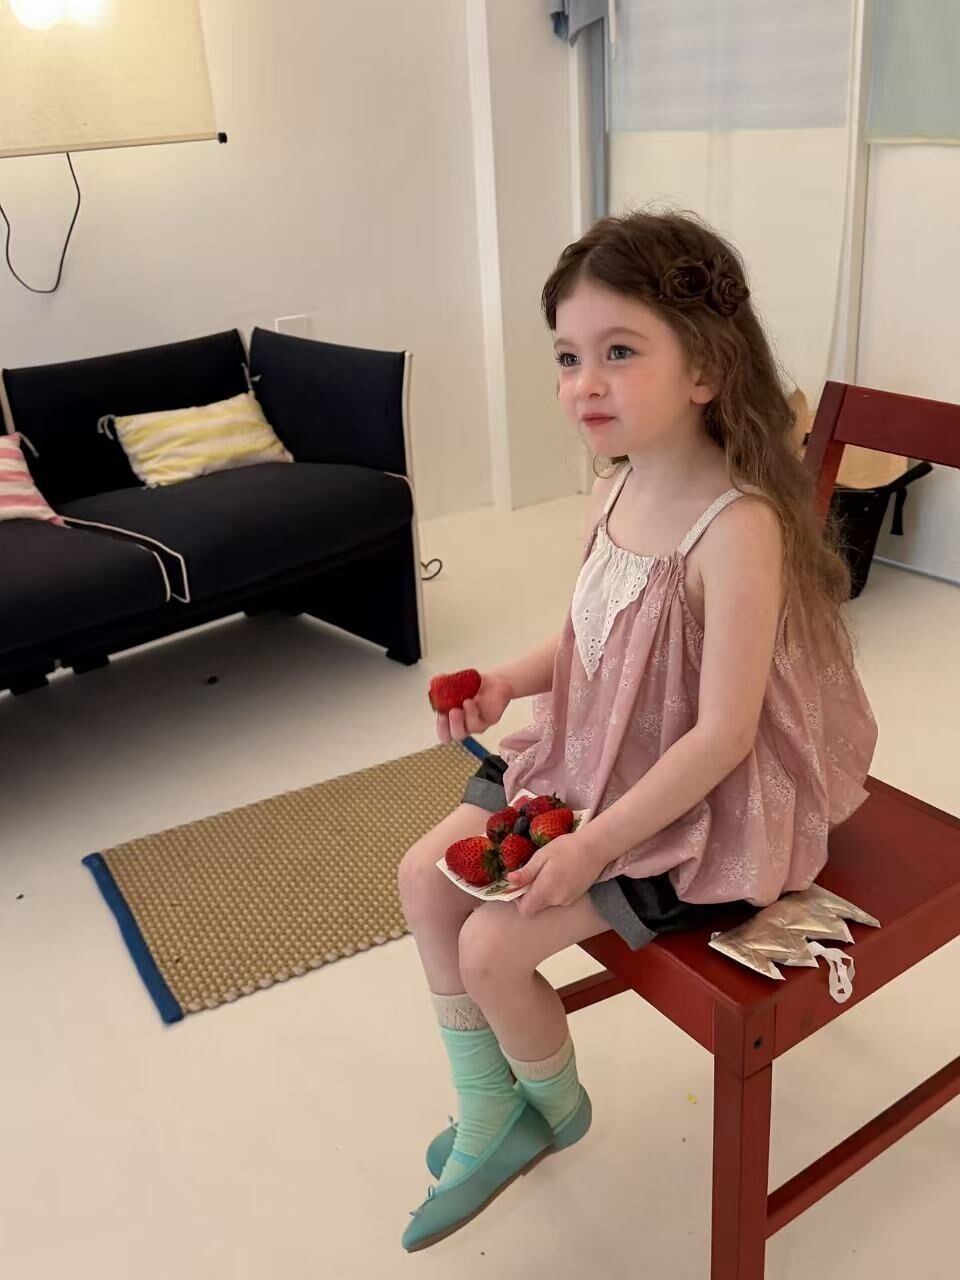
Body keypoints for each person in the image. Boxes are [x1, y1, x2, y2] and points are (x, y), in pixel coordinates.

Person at [397, 210, 877, 1251]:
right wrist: (507, 680)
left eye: (620, 352)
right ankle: (495, 1105)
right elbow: (592, 642)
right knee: (421, 879)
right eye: (568, 356)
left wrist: (591, 847)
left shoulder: (737, 527)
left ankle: (549, 1110)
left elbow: (723, 737)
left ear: (705, 368)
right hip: (595, 758)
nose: (585, 383)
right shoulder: (610, 491)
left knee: (490, 947)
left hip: (697, 808)